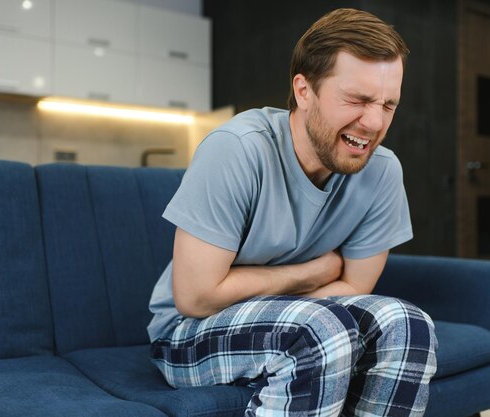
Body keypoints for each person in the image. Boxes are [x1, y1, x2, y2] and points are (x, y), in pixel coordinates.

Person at [147, 8, 437, 417]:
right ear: (304, 90)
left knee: (409, 325)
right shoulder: (238, 148)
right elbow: (195, 297)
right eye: (357, 99)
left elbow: (355, 287)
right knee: (320, 333)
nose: (373, 122)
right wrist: (311, 274)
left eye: (389, 105)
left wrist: (298, 321)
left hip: (296, 321)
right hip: (186, 334)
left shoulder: (382, 170)